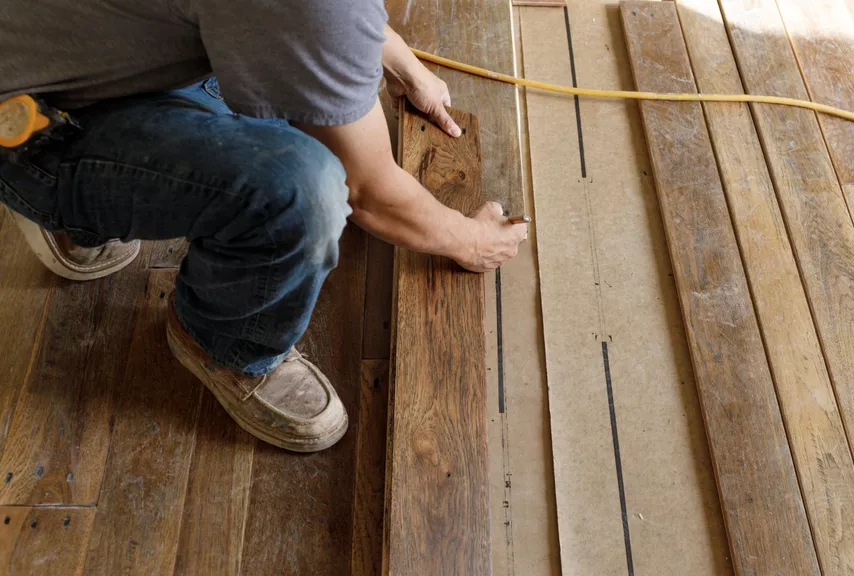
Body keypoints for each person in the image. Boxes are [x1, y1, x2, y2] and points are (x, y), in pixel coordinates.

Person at [0, 0, 529, 452]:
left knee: (289, 87)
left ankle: (86, 173)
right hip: (33, 117)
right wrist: (473, 239)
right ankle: (224, 345)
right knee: (303, 189)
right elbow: (371, 194)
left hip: (74, 40)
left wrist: (390, 55)